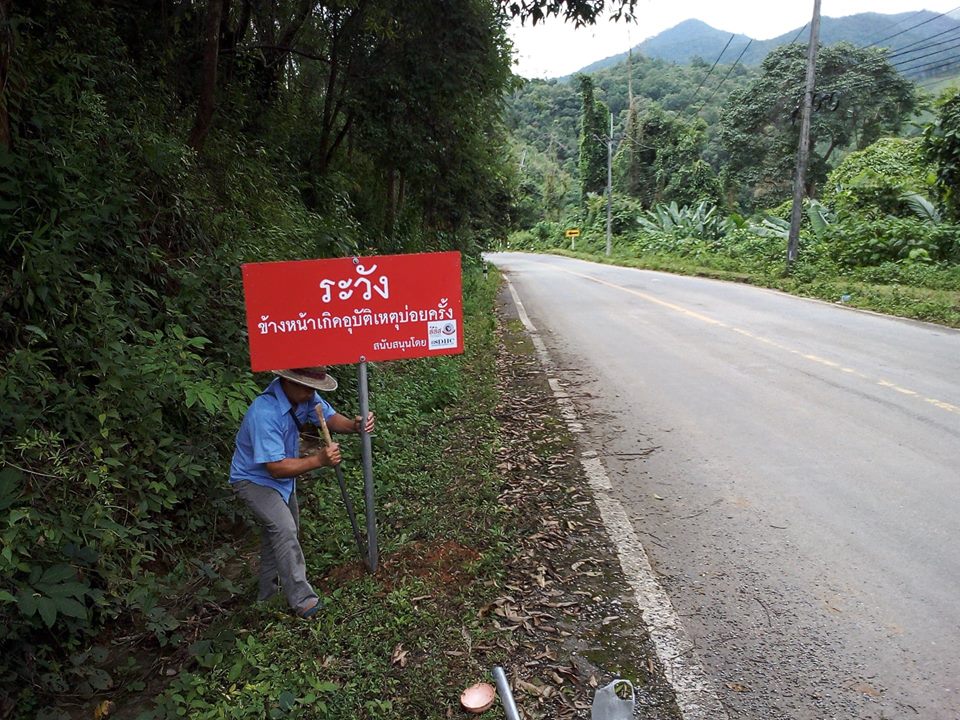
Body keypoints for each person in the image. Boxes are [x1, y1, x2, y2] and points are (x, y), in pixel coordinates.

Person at [229, 366, 375, 618]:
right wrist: (319, 460)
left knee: (280, 534)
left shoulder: (304, 396)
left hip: (283, 481)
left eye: (313, 388)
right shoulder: (264, 412)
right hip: (255, 481)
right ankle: (303, 600)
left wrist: (354, 425)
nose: (311, 393)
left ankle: (267, 596)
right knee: (285, 530)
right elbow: (275, 468)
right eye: (306, 387)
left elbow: (330, 417)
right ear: (287, 381)